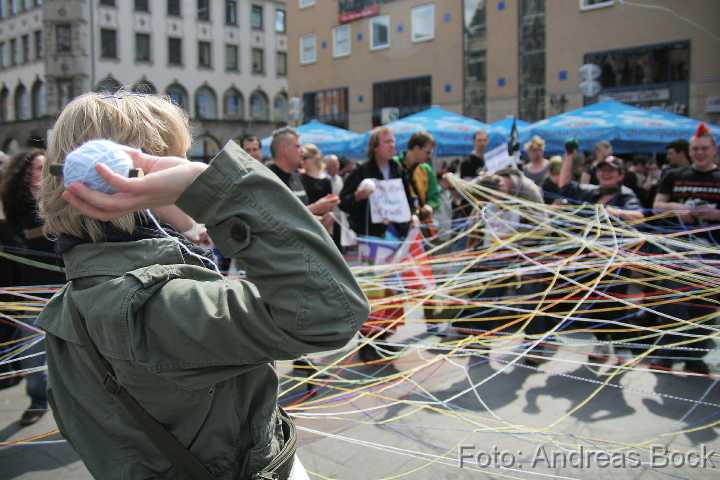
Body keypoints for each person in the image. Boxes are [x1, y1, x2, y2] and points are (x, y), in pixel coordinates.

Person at [36, 91, 369, 479]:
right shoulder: (156, 304)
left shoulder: (74, 300)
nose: (189, 170)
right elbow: (333, 311)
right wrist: (211, 186)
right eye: (175, 161)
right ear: (138, 185)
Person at [0, 149, 65, 426]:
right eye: (36, 169)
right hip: (34, 286)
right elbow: (18, 238)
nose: (42, 173)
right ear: (24, 174)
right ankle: (38, 399)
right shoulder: (16, 204)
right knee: (31, 352)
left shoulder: (63, 196)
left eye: (45, 168)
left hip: (69, 281)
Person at [649, 124, 719, 374]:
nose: (699, 153)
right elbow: (657, 204)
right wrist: (679, 210)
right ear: (689, 151)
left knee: (703, 306)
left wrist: (713, 213)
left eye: (704, 149)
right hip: (677, 250)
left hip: (711, 255)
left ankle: (694, 357)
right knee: (672, 304)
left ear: (714, 150)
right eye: (695, 149)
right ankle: (666, 355)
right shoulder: (674, 175)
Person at [394, 131, 440, 224]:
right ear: (416, 148)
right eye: (427, 152)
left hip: (420, 222)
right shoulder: (394, 164)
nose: (429, 157)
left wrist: (429, 206)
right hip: (398, 222)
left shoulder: (426, 169)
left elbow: (434, 196)